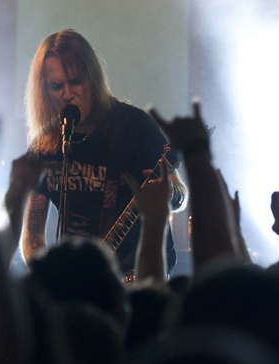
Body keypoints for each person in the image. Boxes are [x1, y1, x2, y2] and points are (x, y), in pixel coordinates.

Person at [21, 29, 180, 276]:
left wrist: (171, 195)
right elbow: (33, 234)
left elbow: (178, 191)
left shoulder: (134, 127)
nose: (67, 94)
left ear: (92, 79)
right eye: (56, 86)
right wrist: (46, 277)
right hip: (77, 285)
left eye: (75, 81)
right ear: (43, 91)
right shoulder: (45, 147)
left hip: (136, 276)